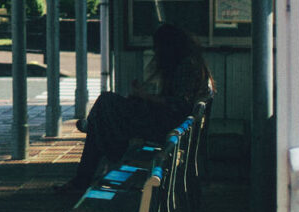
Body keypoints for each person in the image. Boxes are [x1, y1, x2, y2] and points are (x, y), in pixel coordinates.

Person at [67, 20, 211, 192]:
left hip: (167, 128)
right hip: (173, 125)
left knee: (105, 103)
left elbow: (178, 104)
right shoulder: (191, 64)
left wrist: (145, 96)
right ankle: (92, 132)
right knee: (105, 112)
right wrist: (142, 97)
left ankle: (84, 168)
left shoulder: (186, 67)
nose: (156, 51)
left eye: (158, 47)